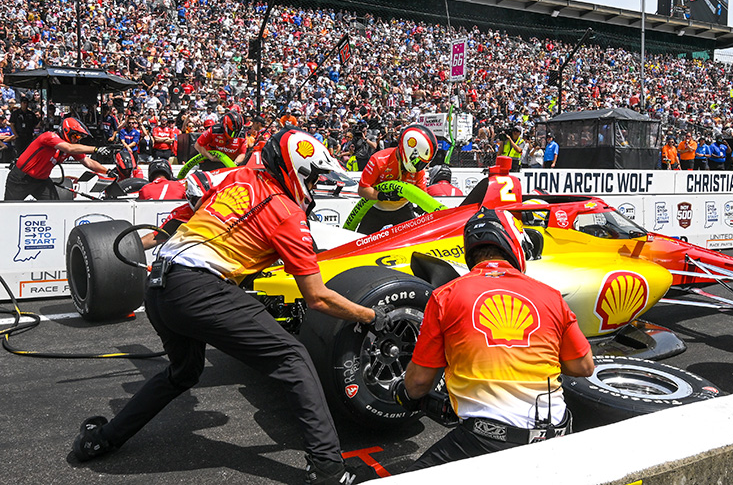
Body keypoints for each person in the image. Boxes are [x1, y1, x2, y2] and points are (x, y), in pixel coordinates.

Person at [71, 128, 384, 485]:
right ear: (298, 172)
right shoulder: (287, 214)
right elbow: (317, 297)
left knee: (183, 372)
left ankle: (102, 439)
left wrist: (122, 250)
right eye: (314, 179)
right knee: (293, 359)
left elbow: (179, 219)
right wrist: (369, 315)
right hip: (197, 287)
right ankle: (329, 469)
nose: (315, 188)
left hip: (158, 284)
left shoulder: (238, 177)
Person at [391, 208, 594, 471]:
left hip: (485, 440)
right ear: (514, 245)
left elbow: (418, 383)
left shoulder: (445, 295)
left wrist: (404, 393)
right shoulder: (551, 295)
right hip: (554, 434)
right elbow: (584, 367)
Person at [4, 117, 112, 201]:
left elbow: (88, 161)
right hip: (21, 179)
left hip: (41, 181)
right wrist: (96, 149)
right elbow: (69, 148)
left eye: (79, 138)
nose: (76, 140)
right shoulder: (49, 137)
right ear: (66, 131)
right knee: (10, 210)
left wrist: (108, 171)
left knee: (55, 206)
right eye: (76, 136)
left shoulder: (71, 147)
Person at [356, 124, 436, 235]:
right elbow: (362, 189)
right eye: (419, 161)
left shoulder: (419, 170)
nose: (420, 166)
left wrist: (421, 207)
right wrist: (382, 195)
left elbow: (422, 195)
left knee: (414, 241)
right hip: (376, 208)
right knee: (360, 242)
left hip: (403, 208)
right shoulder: (378, 160)